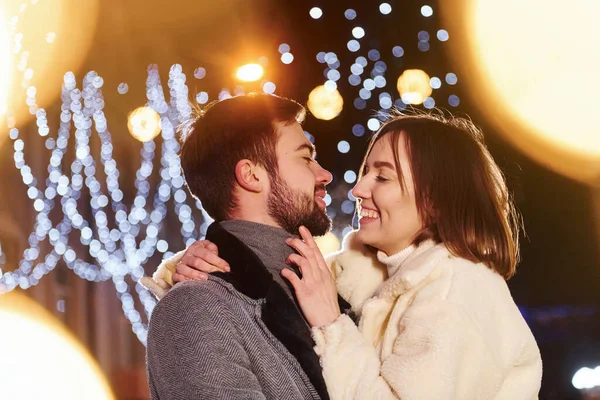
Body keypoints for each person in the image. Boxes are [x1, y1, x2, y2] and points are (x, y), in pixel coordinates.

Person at [144, 112, 543, 399]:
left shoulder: (456, 289)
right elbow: (247, 272)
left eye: (382, 177)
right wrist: (184, 266)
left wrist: (333, 325)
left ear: (435, 201)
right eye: (305, 157)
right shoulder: (352, 278)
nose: (349, 186)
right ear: (252, 175)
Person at [144, 92, 354, 400]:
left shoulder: (330, 286)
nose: (324, 174)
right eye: (305, 158)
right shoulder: (196, 308)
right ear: (252, 175)